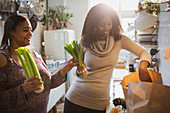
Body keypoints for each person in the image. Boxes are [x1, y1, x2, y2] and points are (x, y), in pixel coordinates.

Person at [64, 3, 151, 113]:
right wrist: (78, 70)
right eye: (102, 24)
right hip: (75, 100)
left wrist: (143, 68)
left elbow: (144, 52)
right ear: (94, 24)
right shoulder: (85, 41)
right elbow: (74, 70)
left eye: (109, 24)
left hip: (99, 104)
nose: (107, 28)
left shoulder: (120, 40)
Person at [0, 14, 77, 113]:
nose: (30, 34)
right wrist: (23, 89)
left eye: (31, 30)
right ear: (12, 32)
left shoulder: (34, 55)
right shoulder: (3, 58)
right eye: (25, 30)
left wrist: (66, 69)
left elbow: (48, 84)